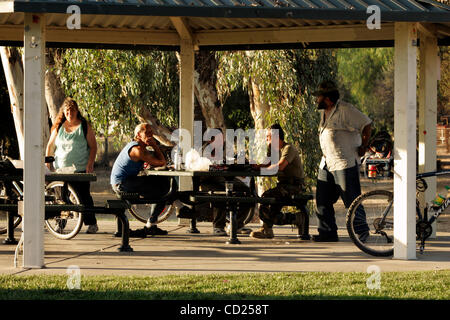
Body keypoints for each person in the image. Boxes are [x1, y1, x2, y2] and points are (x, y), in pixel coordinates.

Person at [313, 80, 372, 242]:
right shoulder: (324, 112)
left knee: (351, 199)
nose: (316, 100)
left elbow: (367, 124)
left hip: (344, 162)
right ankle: (327, 233)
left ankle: (362, 231)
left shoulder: (346, 110)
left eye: (319, 97)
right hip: (326, 162)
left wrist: (363, 146)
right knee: (322, 199)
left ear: (328, 99)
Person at [111, 123, 189, 237]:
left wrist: (153, 146)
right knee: (163, 188)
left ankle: (154, 222)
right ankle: (177, 207)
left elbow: (158, 161)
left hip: (129, 181)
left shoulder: (140, 147)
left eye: (151, 133)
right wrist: (155, 146)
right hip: (122, 184)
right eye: (147, 133)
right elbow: (162, 162)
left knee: (163, 183)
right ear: (138, 135)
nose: (150, 136)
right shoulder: (137, 149)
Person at [46, 97, 99, 234]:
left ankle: (91, 223)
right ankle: (60, 224)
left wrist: (90, 163)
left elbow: (93, 146)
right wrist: (48, 163)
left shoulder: (84, 126)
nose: (70, 113)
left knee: (84, 196)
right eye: (67, 110)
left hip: (80, 169)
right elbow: (50, 146)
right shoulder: (58, 127)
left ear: (77, 111)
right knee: (61, 198)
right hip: (61, 170)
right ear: (63, 112)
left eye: (73, 110)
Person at [250, 124, 305, 239]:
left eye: (268, 137)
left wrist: (262, 168)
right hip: (284, 185)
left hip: (295, 186)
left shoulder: (288, 148)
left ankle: (296, 218)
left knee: (266, 197)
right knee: (269, 203)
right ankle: (268, 229)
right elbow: (268, 164)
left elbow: (280, 166)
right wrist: (256, 166)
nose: (266, 139)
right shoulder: (273, 149)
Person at [197, 128, 253, 236]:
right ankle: (218, 226)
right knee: (221, 194)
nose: (221, 142)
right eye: (218, 139)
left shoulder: (225, 149)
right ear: (210, 140)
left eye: (222, 139)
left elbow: (231, 162)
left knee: (246, 191)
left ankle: (237, 224)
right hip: (208, 181)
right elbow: (207, 167)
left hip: (225, 179)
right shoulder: (204, 151)